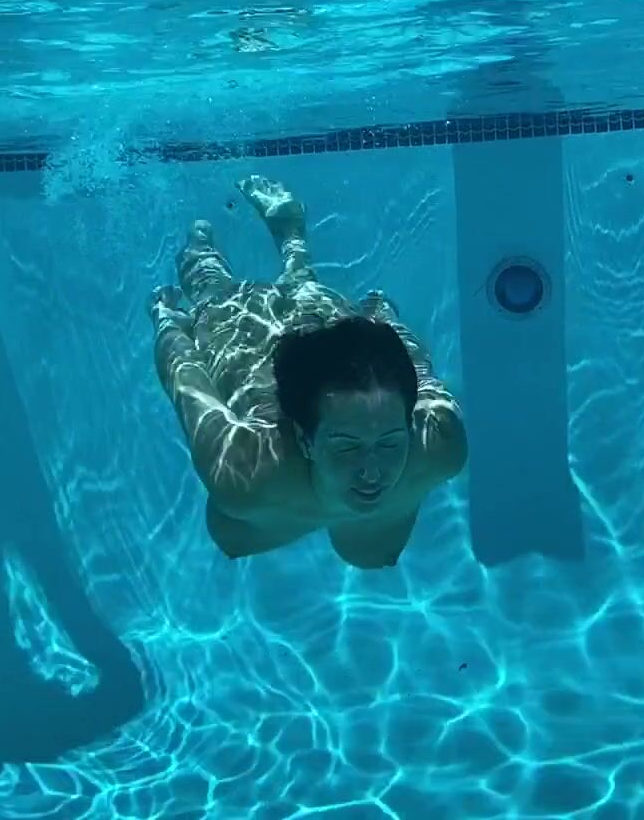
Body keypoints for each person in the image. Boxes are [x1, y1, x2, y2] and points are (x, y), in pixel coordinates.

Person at [147, 175, 467, 568]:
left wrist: (385, 321)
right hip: (249, 356)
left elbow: (417, 370)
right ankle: (225, 246)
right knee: (211, 297)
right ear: (303, 439)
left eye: (390, 443)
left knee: (371, 554)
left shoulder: (441, 443)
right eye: (346, 446)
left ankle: (293, 242)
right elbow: (186, 379)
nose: (372, 474)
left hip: (340, 509)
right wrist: (167, 322)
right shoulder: (244, 470)